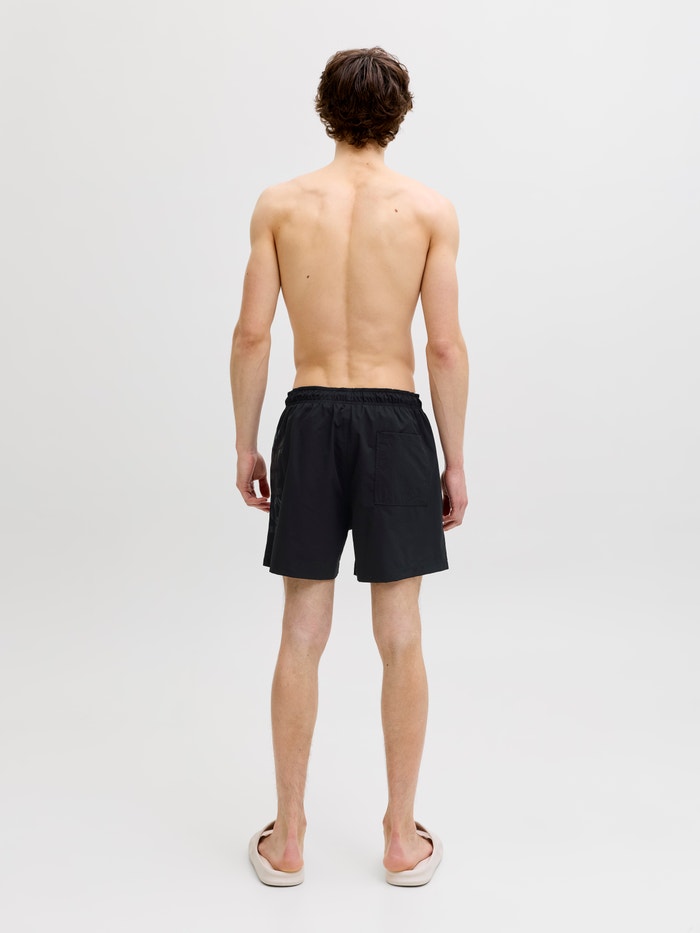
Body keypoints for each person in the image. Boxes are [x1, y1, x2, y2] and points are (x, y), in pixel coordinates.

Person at [230, 47, 469, 887]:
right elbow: (443, 345)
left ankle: (289, 839)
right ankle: (401, 839)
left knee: (302, 629)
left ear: (325, 110)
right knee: (400, 634)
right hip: (395, 423)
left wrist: (246, 442)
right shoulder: (429, 209)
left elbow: (252, 334)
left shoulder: (280, 204)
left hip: (310, 416)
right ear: (399, 115)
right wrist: (456, 458)